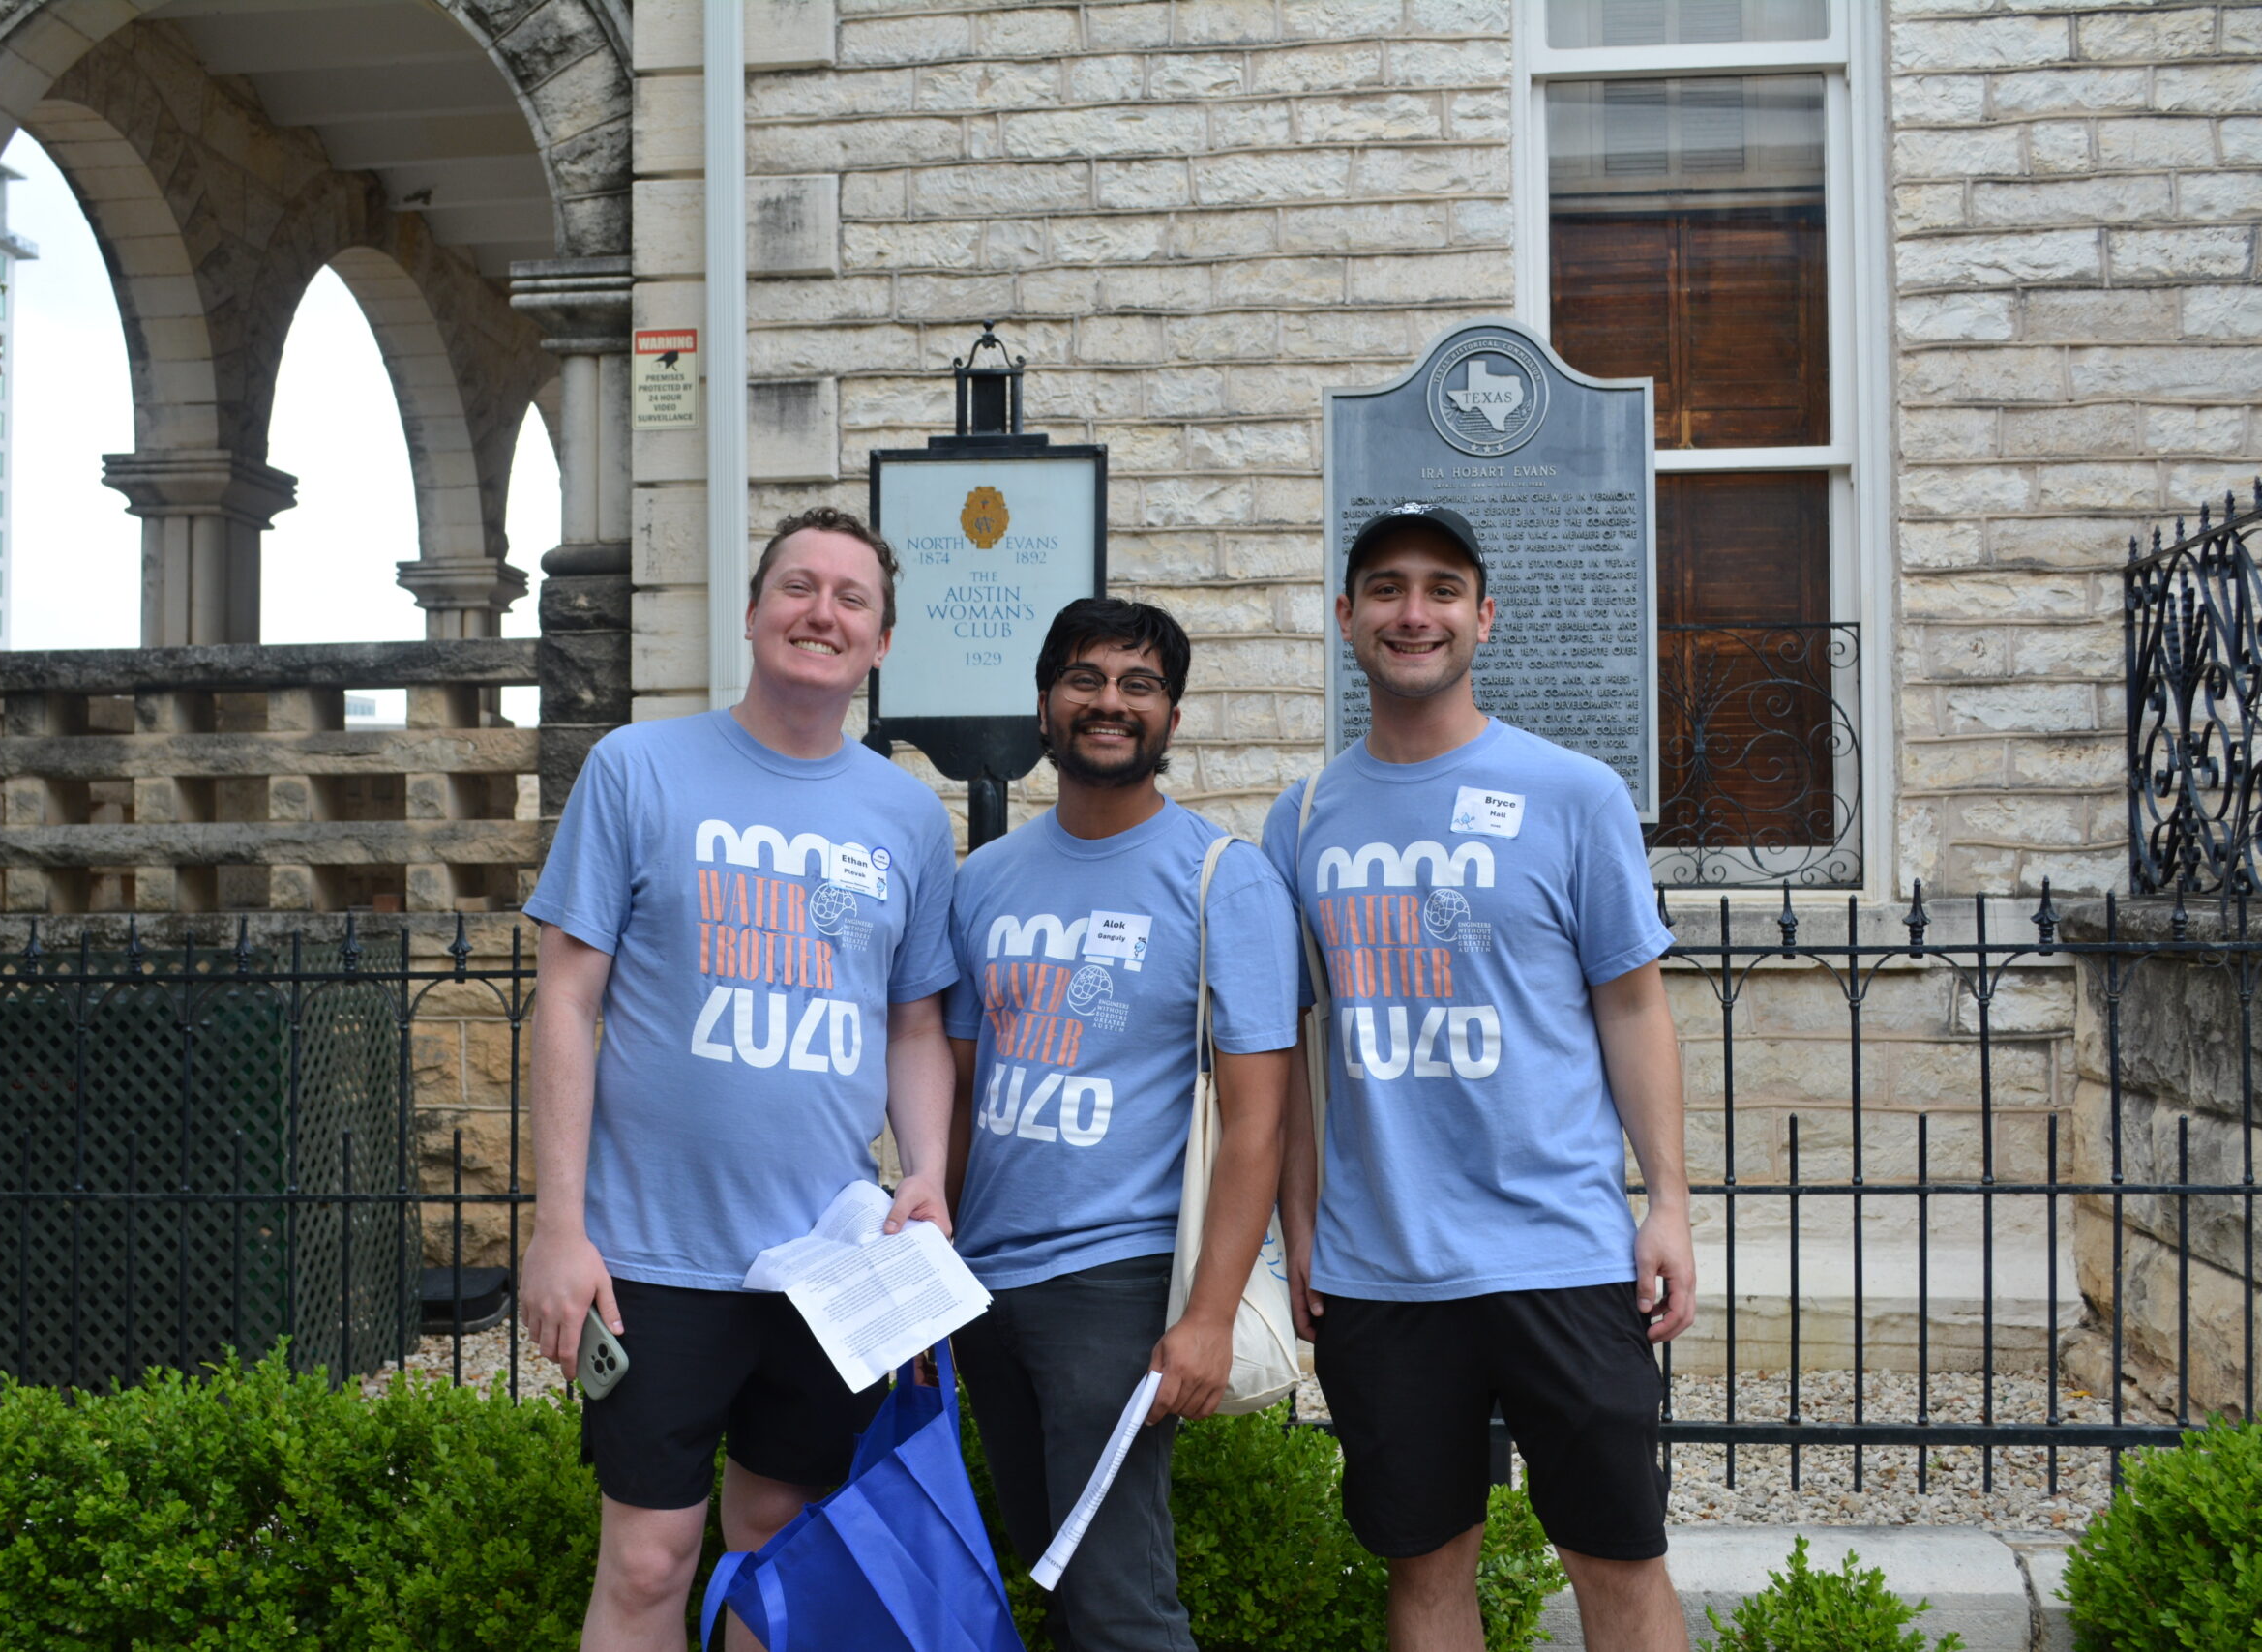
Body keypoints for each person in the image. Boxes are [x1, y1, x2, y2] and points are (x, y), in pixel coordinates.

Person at [521, 506, 961, 1652]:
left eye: (850, 599)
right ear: (754, 613)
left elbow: (914, 1022)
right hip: (650, 1257)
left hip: (825, 1258)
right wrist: (557, 1228)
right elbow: (566, 998)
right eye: (798, 588)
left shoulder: (908, 817)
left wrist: (929, 1175)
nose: (821, 612)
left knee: (781, 1543)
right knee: (650, 1556)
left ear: (879, 643)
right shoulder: (637, 768)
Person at [1263, 507, 1696, 1652]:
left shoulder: (1572, 794)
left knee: (1620, 1564)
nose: (1416, 612)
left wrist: (1668, 1206)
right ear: (1347, 617)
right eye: (1389, 588)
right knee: (1425, 1569)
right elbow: (1291, 1046)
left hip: (1559, 1247)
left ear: (1483, 617)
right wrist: (1297, 1222)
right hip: (1382, 1265)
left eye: (1443, 589)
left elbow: (1633, 1005)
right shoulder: (1299, 820)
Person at [945, 597, 1295, 1652]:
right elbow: (960, 1091)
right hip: (984, 1286)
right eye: (1086, 679)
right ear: (1044, 706)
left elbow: (1256, 1122)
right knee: (1055, 1581)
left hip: (1112, 1279)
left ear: (1172, 717)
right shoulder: (982, 879)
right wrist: (936, 1268)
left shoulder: (1220, 879)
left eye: (1138, 684)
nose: (1110, 702)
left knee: (1118, 1604)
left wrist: (1205, 1315)